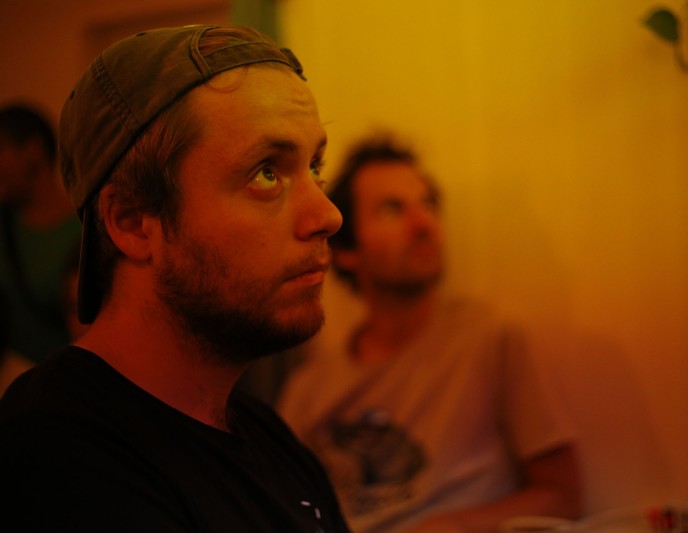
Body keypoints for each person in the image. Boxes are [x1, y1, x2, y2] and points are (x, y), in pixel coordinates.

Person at [0, 25, 350, 531]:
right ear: (133, 222)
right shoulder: (56, 459)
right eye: (266, 172)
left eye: (314, 166)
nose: (328, 215)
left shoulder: (267, 435)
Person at [275, 135, 583, 532]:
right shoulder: (308, 390)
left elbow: (564, 495)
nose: (424, 224)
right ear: (347, 250)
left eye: (428, 204)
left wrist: (453, 527)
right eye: (392, 209)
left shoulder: (492, 337)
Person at [0, 103, 81, 391]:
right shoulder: (5, 223)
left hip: (64, 385)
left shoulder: (84, 228)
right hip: (13, 384)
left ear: (33, 151)